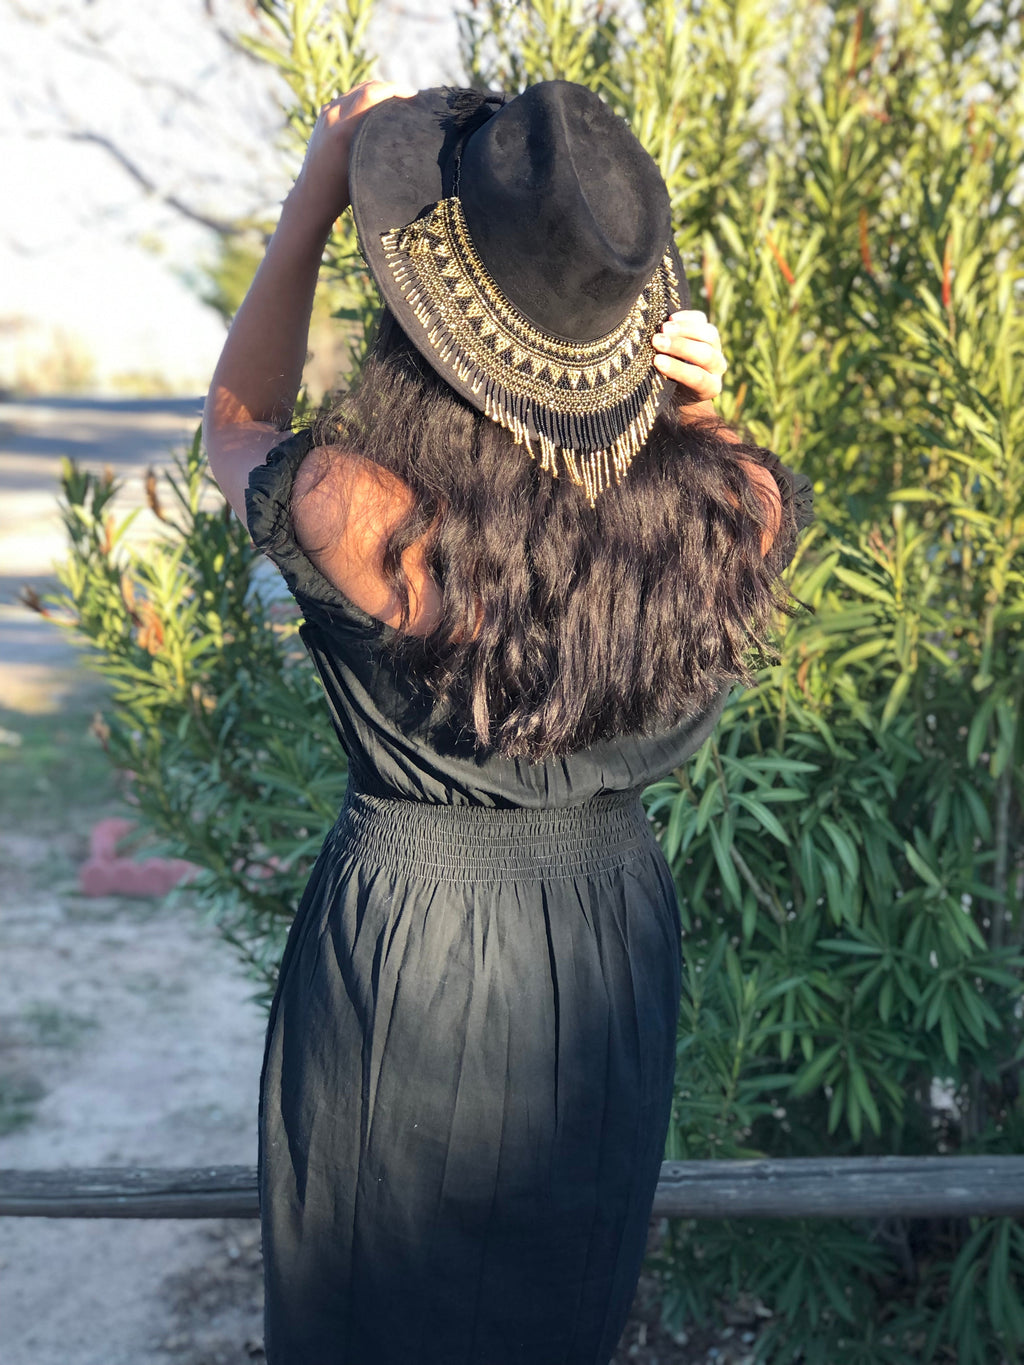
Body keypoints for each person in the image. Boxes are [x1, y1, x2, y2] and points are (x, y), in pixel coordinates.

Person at [203, 78, 814, 1365]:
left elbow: (235, 428)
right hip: (605, 943)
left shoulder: (356, 509)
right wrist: (693, 415)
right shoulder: (737, 505)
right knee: (559, 1312)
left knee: (365, 1318)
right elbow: (701, 494)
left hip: (404, 951)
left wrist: (317, 191)